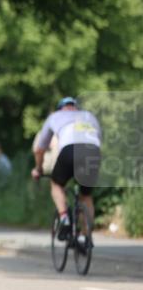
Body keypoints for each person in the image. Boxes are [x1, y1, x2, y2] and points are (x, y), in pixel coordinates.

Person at [31, 97, 102, 244]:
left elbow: (40, 149)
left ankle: (64, 218)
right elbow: (98, 139)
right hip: (93, 152)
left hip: (70, 150)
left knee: (56, 184)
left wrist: (39, 168)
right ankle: (85, 236)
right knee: (86, 195)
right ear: (75, 107)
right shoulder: (89, 116)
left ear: (60, 108)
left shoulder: (55, 116)